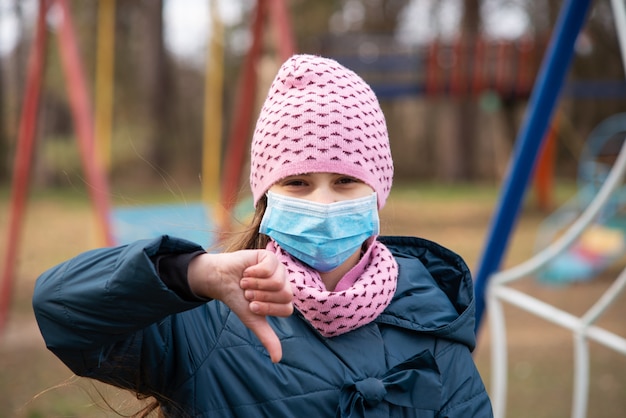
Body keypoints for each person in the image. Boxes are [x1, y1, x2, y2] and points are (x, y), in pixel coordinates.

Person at [33, 54, 493, 417]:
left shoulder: (431, 320)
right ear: (266, 198)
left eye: (345, 182)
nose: (323, 204)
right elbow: (60, 310)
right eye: (298, 183)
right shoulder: (205, 319)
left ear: (378, 191)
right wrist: (189, 274)